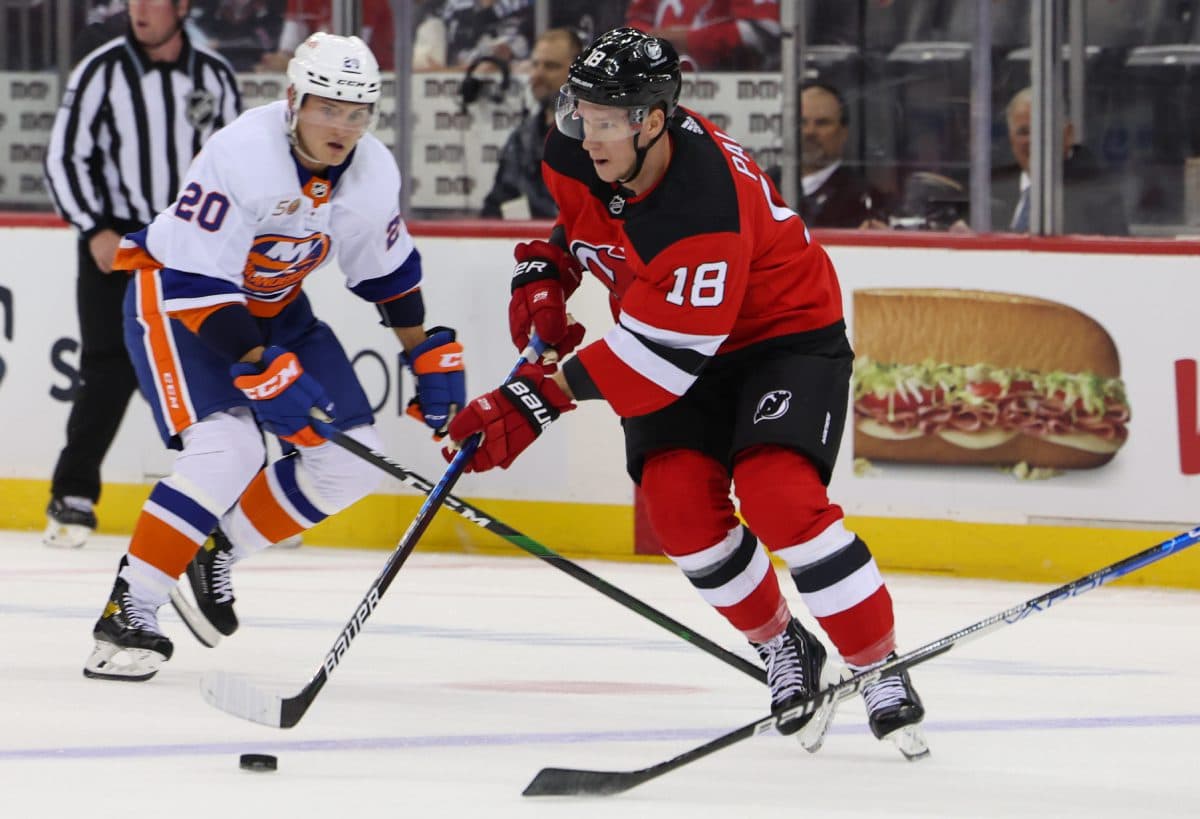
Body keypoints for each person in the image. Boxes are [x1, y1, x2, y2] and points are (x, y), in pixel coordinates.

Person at [446, 28, 928, 756]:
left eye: (608, 119)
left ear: (653, 119)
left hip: (781, 336)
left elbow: (657, 365)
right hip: (672, 333)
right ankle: (782, 643)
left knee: (778, 494)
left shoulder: (705, 203)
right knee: (677, 507)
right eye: (581, 111)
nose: (587, 132)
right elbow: (586, 224)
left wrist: (534, 399)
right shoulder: (575, 146)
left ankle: (876, 662)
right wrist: (547, 273)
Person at [82, 32, 467, 682]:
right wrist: (260, 364)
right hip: (177, 297)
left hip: (273, 308)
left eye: (356, 112)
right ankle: (130, 608)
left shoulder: (371, 172)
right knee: (230, 447)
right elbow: (196, 284)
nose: (342, 126)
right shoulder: (242, 154)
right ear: (294, 99)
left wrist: (423, 354)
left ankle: (217, 549)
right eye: (328, 108)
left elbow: (388, 275)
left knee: (352, 460)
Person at [42, 0, 241, 549]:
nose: (139, 9)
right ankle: (73, 494)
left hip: (194, 245)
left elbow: (241, 166)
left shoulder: (215, 77)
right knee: (108, 368)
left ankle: (224, 498)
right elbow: (64, 159)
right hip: (121, 241)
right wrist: (94, 229)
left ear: (182, 8)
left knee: (216, 368)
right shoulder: (101, 69)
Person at [992, 87, 1128, 235]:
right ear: (1011, 139)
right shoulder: (992, 193)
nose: (1033, 140)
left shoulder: (1100, 197)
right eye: (1023, 132)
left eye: (1043, 129)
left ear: (1068, 134)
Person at [480, 27, 583, 220]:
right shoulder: (521, 138)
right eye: (535, 65)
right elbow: (496, 204)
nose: (537, 75)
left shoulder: (594, 138)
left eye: (551, 66)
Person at [768, 82, 889, 229]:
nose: (809, 132)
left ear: (843, 132)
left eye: (822, 123)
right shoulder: (765, 185)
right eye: (801, 122)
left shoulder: (864, 200)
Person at [625, 0, 780, 70]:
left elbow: (762, 32)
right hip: (658, 78)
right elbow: (636, 22)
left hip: (725, 80)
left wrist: (689, 41)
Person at [256, 0, 395, 71]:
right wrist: (276, 63)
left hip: (377, 79)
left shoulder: (364, 2)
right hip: (320, 72)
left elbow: (350, 59)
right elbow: (287, 51)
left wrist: (292, 64)